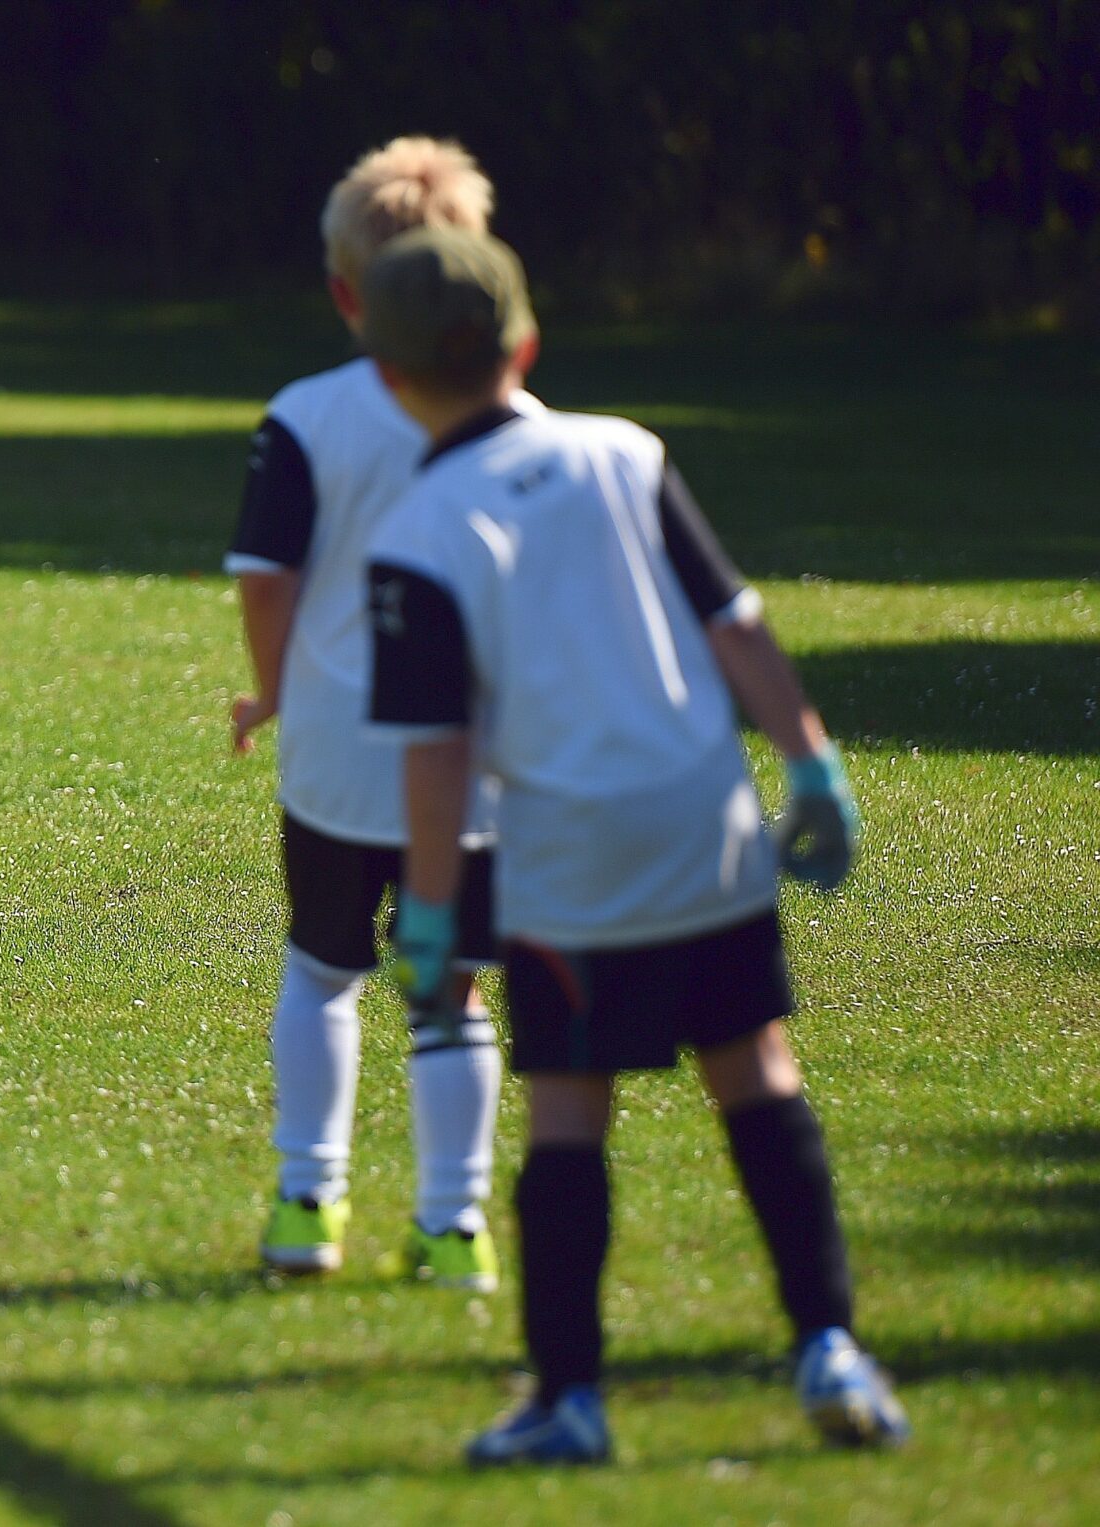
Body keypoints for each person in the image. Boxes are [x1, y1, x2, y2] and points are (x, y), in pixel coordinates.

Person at [359, 225, 910, 1465]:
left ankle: (569, 1399)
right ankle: (829, 1344)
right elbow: (738, 624)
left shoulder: (416, 537)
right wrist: (812, 765)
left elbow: (437, 753)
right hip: (703, 822)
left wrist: (435, 918)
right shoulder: (624, 451)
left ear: (388, 379)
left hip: (568, 859)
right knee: (756, 1072)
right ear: (527, 342)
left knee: (567, 1113)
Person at [226, 138, 510, 1288]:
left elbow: (265, 574)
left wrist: (279, 686)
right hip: (480, 765)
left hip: (340, 754)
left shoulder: (305, 416)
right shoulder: (516, 416)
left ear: (347, 292)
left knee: (320, 968)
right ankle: (453, 1226)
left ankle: (309, 1204)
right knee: (451, 988)